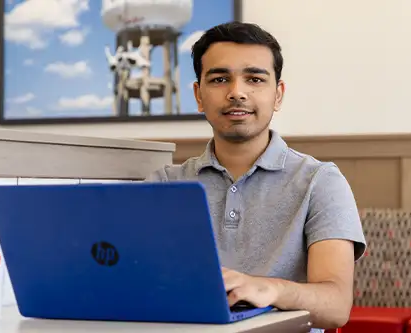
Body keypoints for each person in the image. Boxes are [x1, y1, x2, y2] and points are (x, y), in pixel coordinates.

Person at [144, 21, 367, 331]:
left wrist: (270, 288)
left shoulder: (321, 181)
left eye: (254, 79)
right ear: (198, 95)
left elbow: (336, 306)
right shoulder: (163, 185)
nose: (237, 92)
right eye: (220, 79)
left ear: (278, 95)